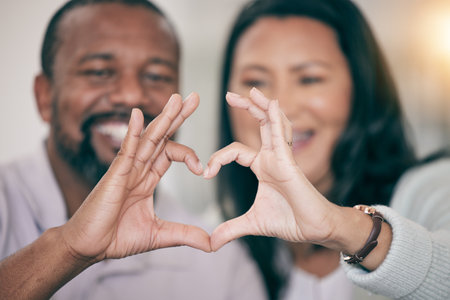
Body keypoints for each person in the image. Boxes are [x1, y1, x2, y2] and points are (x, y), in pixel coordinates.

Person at [0, 1, 267, 299]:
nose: (132, 95)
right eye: (100, 71)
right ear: (45, 96)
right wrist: (67, 249)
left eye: (156, 76)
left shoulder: (221, 265)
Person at [205, 0, 450, 299]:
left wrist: (342, 228)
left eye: (309, 78)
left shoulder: (434, 189)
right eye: (255, 81)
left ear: (361, 89)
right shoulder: (215, 232)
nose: (279, 108)